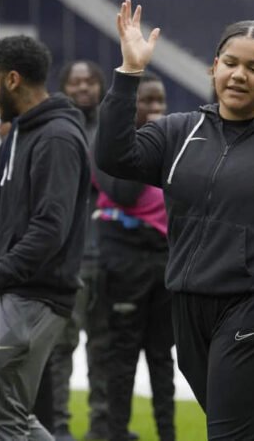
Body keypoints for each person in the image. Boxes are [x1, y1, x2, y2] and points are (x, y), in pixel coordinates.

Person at [96, 0, 254, 440]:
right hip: (190, 304)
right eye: (230, 63)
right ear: (214, 67)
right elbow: (114, 156)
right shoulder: (179, 131)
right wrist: (129, 73)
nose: (239, 75)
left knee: (231, 433)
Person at [0, 35, 91, 440]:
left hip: (34, 295)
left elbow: (49, 229)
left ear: (12, 79)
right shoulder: (17, 134)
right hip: (9, 291)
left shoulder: (57, 138)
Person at [93, 71, 175, 441]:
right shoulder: (109, 144)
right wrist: (139, 142)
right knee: (122, 357)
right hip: (125, 260)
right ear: (131, 105)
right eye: (147, 101)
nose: (156, 109)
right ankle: (116, 433)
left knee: (162, 356)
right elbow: (123, 194)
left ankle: (168, 435)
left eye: (160, 102)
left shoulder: (174, 142)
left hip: (165, 260)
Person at [53, 59, 113, 441]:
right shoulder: (54, 131)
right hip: (67, 259)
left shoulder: (111, 130)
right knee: (61, 346)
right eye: (76, 82)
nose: (84, 88)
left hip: (108, 255)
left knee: (104, 349)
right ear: (63, 87)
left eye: (90, 81)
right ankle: (57, 423)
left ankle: (101, 426)